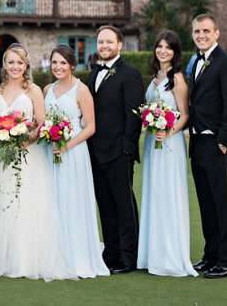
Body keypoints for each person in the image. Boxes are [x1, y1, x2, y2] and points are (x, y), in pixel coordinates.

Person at [0, 43, 75, 281]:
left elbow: (41, 122)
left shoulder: (34, 90)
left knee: (27, 204)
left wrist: (26, 139)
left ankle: (26, 259)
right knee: (1, 204)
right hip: (0, 155)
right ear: (4, 64)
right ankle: (3, 258)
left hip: (29, 155)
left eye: (19, 62)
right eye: (10, 62)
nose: (15, 67)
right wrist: (1, 134)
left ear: (26, 65)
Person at [43, 44, 109, 278]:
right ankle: (53, 254)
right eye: (54, 62)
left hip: (74, 153)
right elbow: (44, 122)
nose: (58, 67)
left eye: (63, 63)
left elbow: (91, 127)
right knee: (52, 201)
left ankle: (77, 255)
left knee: (72, 200)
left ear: (72, 65)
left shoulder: (81, 91)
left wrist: (66, 146)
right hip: (49, 152)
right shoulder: (47, 89)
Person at [136, 31, 198, 277]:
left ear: (175, 52)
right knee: (153, 193)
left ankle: (171, 256)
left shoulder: (178, 79)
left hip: (169, 143)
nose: (163, 51)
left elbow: (185, 114)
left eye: (168, 47)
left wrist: (168, 132)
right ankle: (152, 254)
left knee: (168, 194)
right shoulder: (154, 78)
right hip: (153, 142)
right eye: (159, 46)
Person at [188, 14, 227, 279]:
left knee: (223, 203)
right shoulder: (194, 62)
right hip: (198, 141)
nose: (201, 35)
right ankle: (211, 255)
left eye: (206, 31)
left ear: (217, 33)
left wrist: (223, 141)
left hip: (218, 143)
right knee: (206, 203)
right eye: (197, 31)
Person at [86, 25, 144, 275]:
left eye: (109, 42)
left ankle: (129, 257)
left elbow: (135, 114)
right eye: (101, 42)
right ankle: (110, 253)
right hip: (95, 151)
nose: (105, 46)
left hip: (119, 151)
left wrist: (127, 149)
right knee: (105, 205)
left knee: (124, 206)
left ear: (120, 45)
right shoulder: (94, 72)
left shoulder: (129, 73)